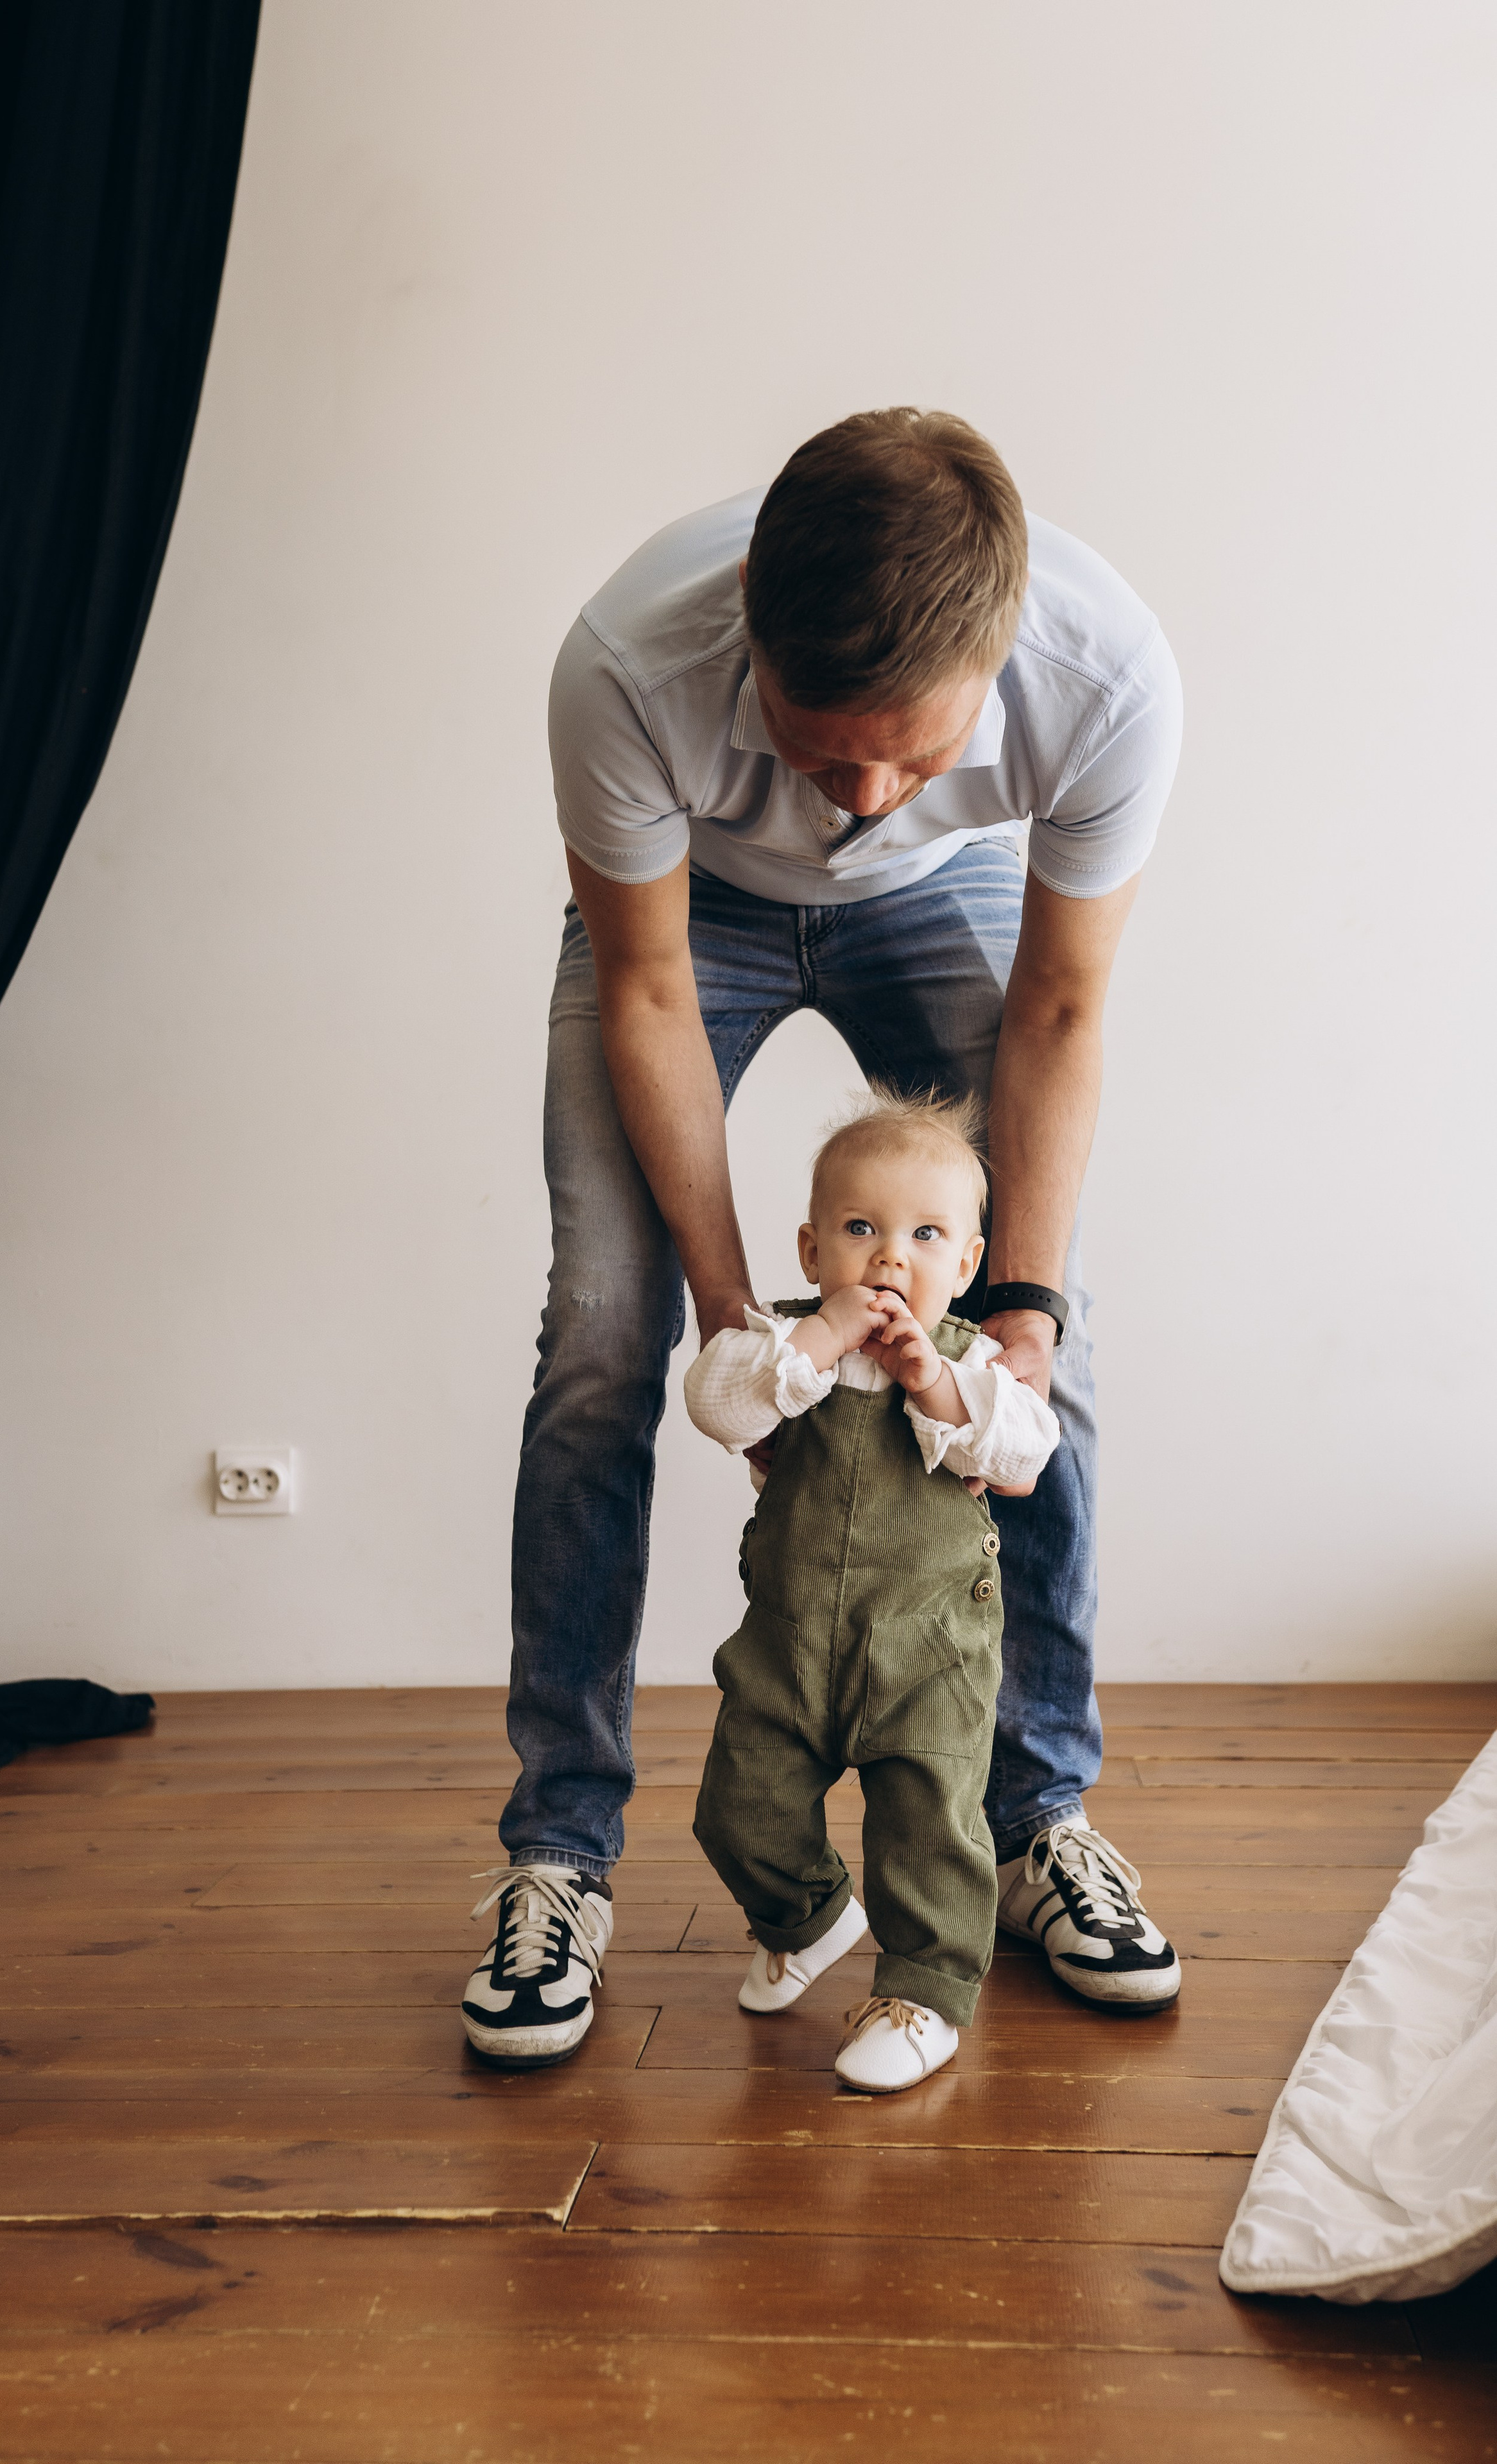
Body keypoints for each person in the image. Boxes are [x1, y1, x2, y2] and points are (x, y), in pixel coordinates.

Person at [460, 407, 1184, 2069]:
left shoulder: (1109, 678)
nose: (856, 798)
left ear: (1000, 669)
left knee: (1046, 1363)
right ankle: (557, 1855)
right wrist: (744, 1331)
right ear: (751, 649)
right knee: (597, 1336)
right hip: (681, 918)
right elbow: (643, 987)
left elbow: (1063, 1005)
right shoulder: (629, 666)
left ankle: (1036, 1820)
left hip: (942, 905)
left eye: (911, 757)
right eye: (818, 743)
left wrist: (1019, 1309)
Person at [683, 1090, 1059, 2094]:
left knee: (927, 1823)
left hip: (928, 1646)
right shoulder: (781, 1346)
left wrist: (931, 1379)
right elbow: (714, 1404)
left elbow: (1027, 1449)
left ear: (967, 1265)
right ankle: (807, 1915)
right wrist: (820, 1341)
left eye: (925, 1235)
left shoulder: (973, 1359)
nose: (891, 1260)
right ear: (811, 1252)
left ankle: (924, 1993)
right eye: (861, 1231)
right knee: (738, 1806)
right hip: (788, 1642)